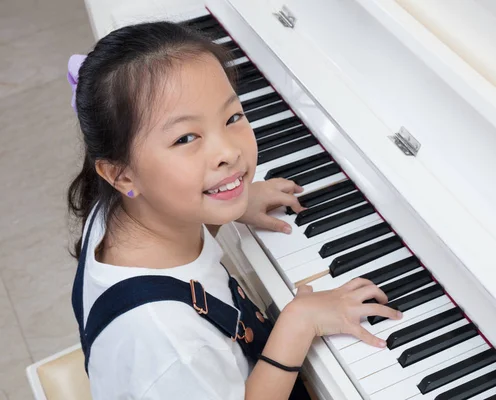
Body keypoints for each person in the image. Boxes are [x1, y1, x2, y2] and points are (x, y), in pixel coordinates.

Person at [67, 20, 402, 400]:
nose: (228, 152)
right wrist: (297, 323)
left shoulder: (121, 212)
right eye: (186, 138)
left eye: (233, 117)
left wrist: (231, 199)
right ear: (121, 175)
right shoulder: (170, 343)